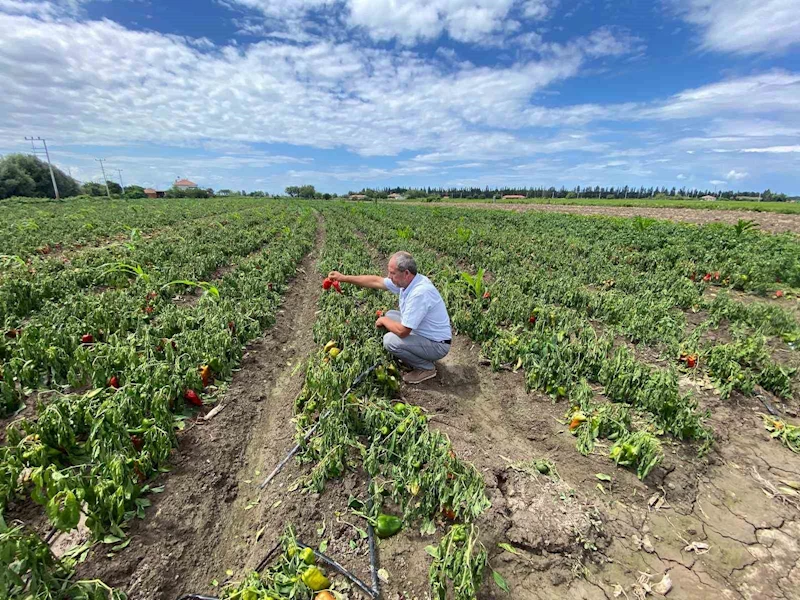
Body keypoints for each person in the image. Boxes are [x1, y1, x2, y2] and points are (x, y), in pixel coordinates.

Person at [327, 251, 452, 384]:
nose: (389, 276)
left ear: (406, 273)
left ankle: (426, 368)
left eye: (392, 273)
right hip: (424, 333)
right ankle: (419, 354)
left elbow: (403, 332)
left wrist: (383, 320)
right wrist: (343, 278)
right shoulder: (410, 281)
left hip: (437, 345)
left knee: (390, 341)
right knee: (391, 315)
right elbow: (376, 281)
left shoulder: (419, 293)